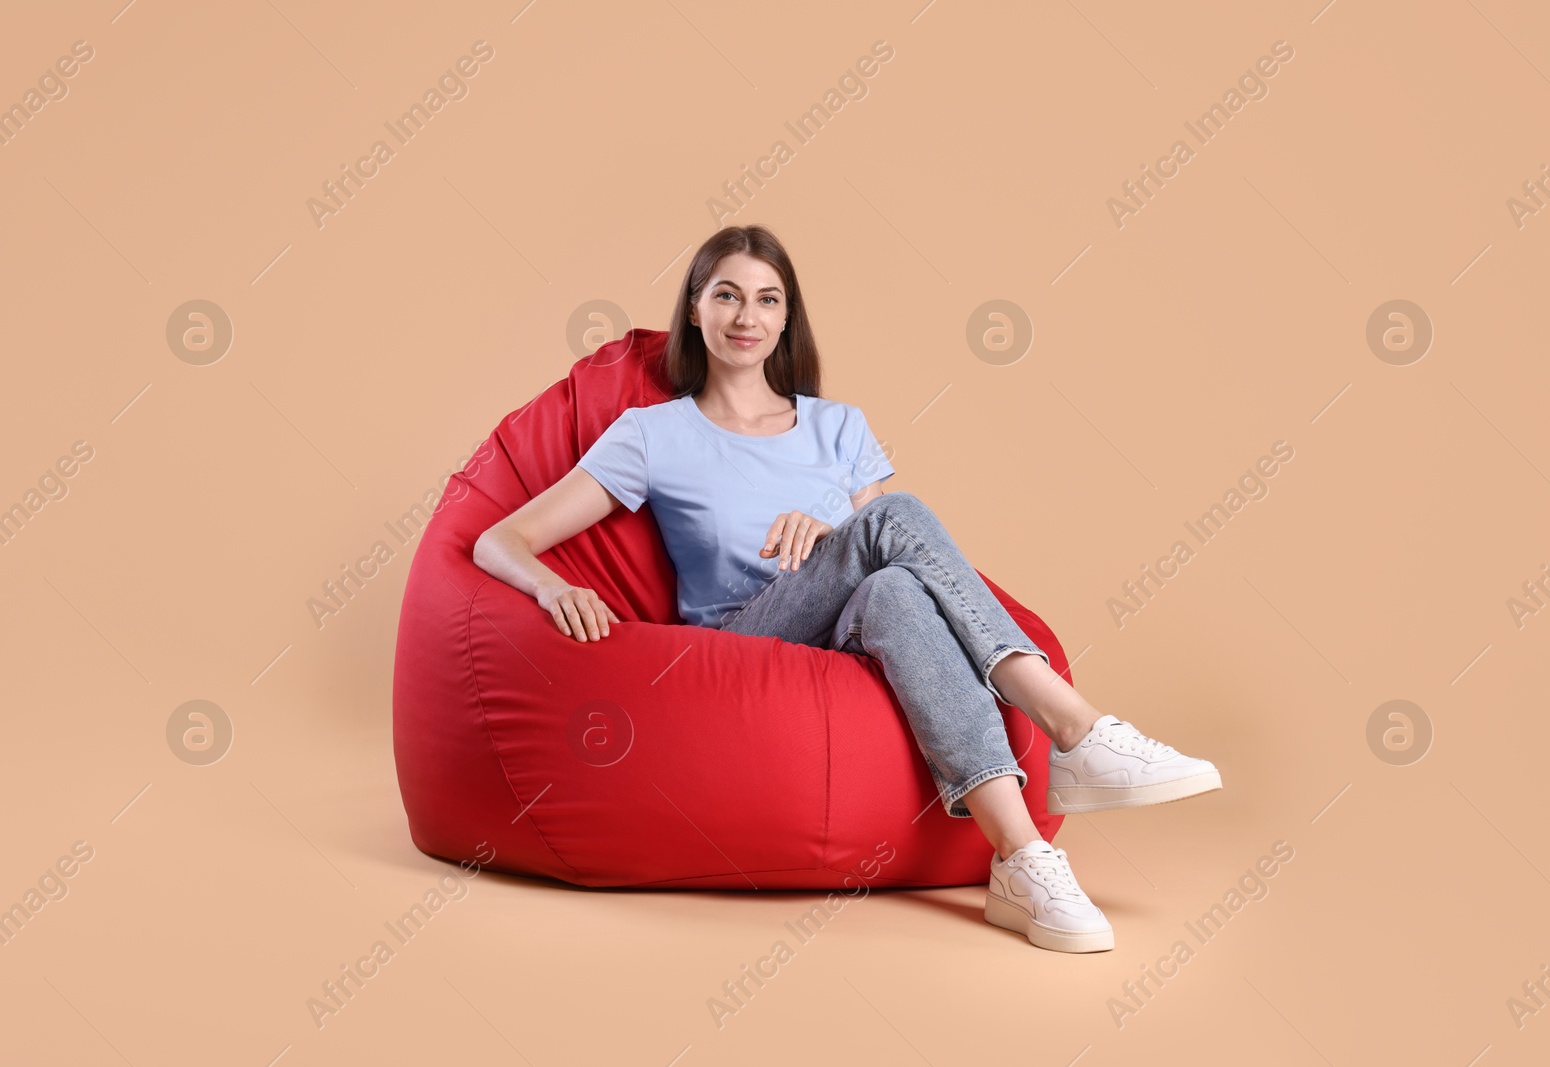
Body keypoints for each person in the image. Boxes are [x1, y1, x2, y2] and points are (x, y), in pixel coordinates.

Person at [472, 224, 1221, 953]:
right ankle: (1073, 728)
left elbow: (901, 568)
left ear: (787, 317)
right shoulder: (652, 434)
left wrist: (826, 536)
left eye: (768, 299)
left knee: (895, 589)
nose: (746, 316)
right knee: (893, 516)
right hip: (738, 638)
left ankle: (1021, 860)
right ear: (695, 308)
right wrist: (548, 588)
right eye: (727, 295)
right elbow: (496, 538)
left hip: (845, 626)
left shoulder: (837, 426)